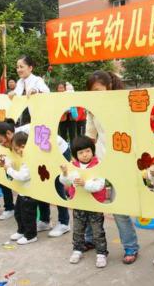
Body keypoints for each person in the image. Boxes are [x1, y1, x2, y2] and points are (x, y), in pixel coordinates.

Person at [85, 70, 140, 264]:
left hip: (121, 159)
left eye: (98, 90)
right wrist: (85, 162)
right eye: (91, 92)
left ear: (109, 87)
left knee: (118, 206)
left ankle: (131, 247)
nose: (95, 95)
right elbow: (90, 137)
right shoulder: (91, 109)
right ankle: (89, 239)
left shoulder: (123, 104)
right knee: (90, 201)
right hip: (99, 158)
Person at [0, 119, 71, 236]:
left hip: (58, 152)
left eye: (0, 140)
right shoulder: (14, 141)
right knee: (39, 187)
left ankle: (64, 223)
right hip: (43, 156)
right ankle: (44, 220)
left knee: (55, 186)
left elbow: (47, 143)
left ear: (8, 133)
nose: (1, 144)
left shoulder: (25, 135)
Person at [59, 136, 108, 268]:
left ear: (92, 151)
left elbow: (99, 185)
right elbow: (66, 182)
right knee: (78, 229)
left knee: (98, 231)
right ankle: (77, 250)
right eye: (80, 153)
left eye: (87, 151)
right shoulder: (73, 166)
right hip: (79, 204)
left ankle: (101, 253)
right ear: (75, 155)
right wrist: (64, 173)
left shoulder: (98, 165)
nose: (85, 155)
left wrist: (85, 183)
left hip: (95, 204)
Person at [0, 132, 39, 245]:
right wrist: (7, 163)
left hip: (29, 194)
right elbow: (14, 162)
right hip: (22, 193)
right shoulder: (22, 157)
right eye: (16, 149)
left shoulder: (30, 160)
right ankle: (21, 230)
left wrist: (9, 170)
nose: (17, 152)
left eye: (18, 149)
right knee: (18, 213)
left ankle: (31, 235)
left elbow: (22, 176)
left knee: (28, 216)